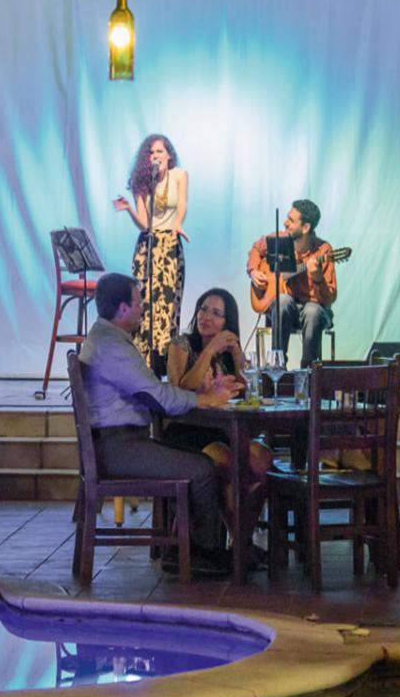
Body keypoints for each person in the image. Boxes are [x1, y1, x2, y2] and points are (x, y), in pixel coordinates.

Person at [78, 272, 237, 575]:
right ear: (123, 309)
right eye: (138, 303)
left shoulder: (104, 338)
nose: (143, 309)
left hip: (118, 442)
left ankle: (191, 547)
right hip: (119, 447)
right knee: (202, 468)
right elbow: (159, 396)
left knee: (194, 459)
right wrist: (206, 400)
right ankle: (198, 553)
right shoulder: (113, 347)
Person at [164, 288, 276, 509]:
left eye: (216, 313)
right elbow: (179, 389)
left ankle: (239, 535)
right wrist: (209, 351)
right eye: (203, 309)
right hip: (187, 429)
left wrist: (236, 359)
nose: (206, 317)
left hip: (222, 429)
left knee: (262, 458)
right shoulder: (181, 344)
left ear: (227, 322)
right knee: (231, 464)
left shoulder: (225, 354)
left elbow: (245, 396)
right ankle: (238, 538)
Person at [113, 133, 187, 375]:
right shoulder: (142, 182)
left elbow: (182, 204)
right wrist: (128, 210)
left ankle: (164, 367)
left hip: (170, 246)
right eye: (151, 153)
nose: (156, 156)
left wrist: (178, 223)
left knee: (167, 309)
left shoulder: (179, 176)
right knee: (144, 307)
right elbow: (145, 223)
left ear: (169, 155)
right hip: (148, 247)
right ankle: (142, 367)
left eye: (160, 152)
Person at [247, 198, 339, 369]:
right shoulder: (279, 240)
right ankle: (277, 368)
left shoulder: (323, 250)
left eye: (291, 220)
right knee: (283, 300)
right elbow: (256, 249)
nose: (285, 223)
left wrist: (317, 277)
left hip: (313, 313)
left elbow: (329, 297)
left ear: (306, 227)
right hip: (284, 311)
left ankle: (310, 374)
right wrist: (253, 272)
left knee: (312, 310)